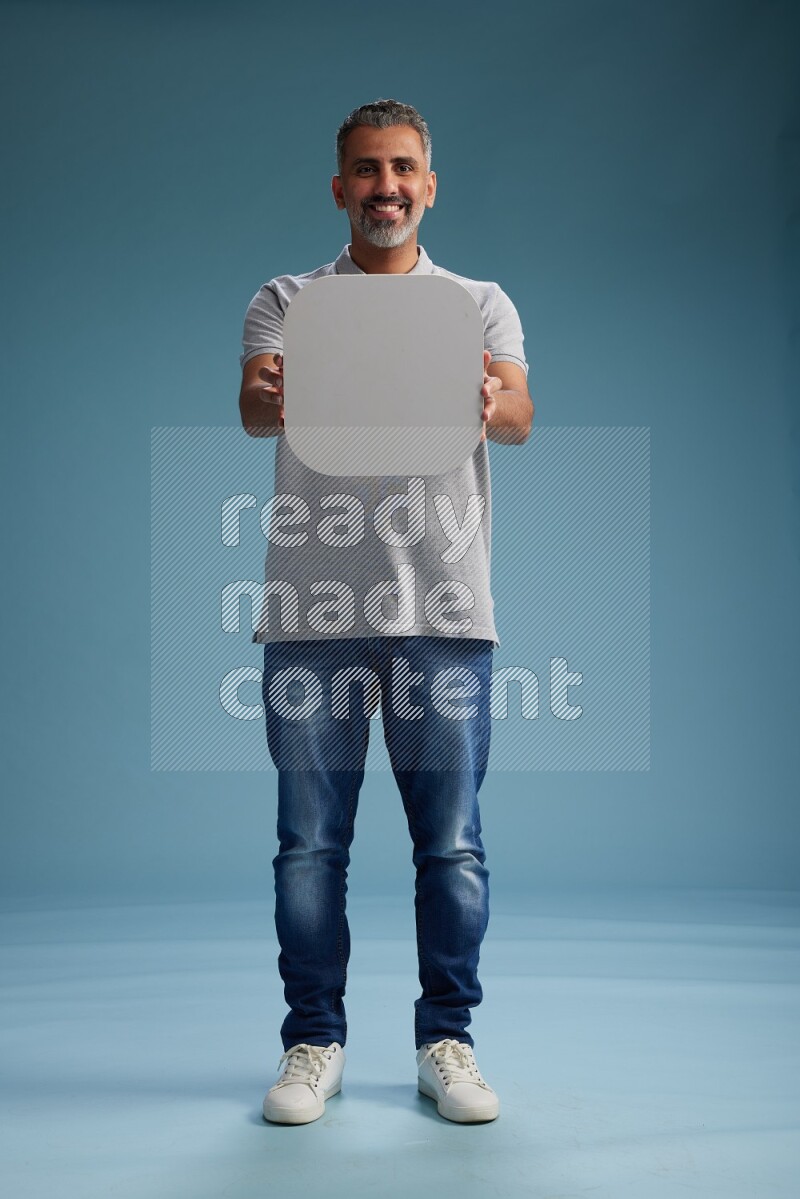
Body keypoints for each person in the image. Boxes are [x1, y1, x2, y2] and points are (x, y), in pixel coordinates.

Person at [238, 99, 533, 1126]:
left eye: (402, 167)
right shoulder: (286, 298)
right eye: (366, 170)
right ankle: (311, 1040)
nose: (385, 186)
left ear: (429, 183)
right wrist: (272, 391)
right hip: (310, 613)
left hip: (444, 607)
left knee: (448, 842)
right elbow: (252, 405)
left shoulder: (480, 303)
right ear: (339, 187)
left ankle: (444, 1039)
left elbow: (520, 414)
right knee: (309, 846)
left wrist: (492, 401)